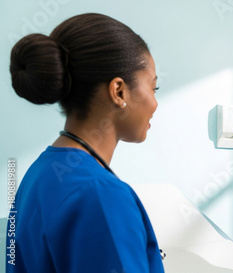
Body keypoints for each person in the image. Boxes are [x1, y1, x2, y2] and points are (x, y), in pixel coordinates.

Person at [7, 13, 164, 273]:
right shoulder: (102, 196)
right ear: (119, 91)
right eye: (153, 88)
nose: (155, 104)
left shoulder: (39, 174)